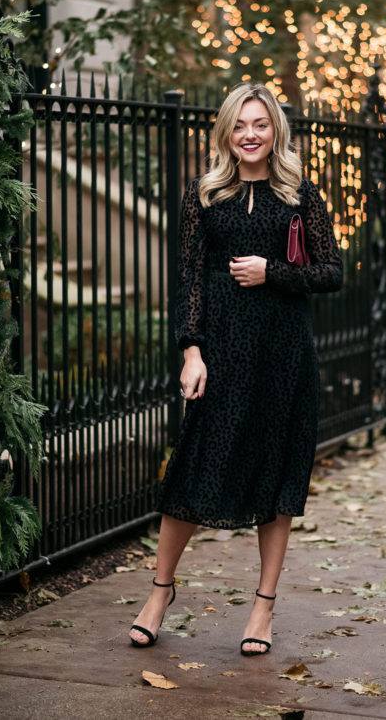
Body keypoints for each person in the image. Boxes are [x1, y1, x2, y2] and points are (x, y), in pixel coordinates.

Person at [129, 82, 343, 655]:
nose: (250, 135)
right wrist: (191, 352)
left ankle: (263, 610)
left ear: (276, 131)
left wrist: (272, 271)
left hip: (283, 354)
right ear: (225, 132)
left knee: (276, 478)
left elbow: (332, 272)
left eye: (261, 124)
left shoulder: (301, 196)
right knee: (194, 470)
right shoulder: (203, 195)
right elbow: (190, 280)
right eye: (240, 125)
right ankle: (158, 593)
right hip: (221, 350)